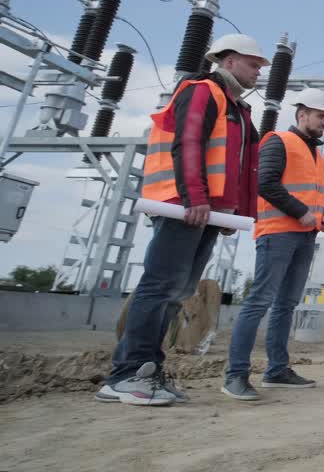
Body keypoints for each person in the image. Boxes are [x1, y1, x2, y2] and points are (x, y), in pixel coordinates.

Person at [96, 34, 268, 406]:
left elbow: (239, 165)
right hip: (184, 205)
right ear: (229, 60)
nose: (259, 72)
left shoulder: (236, 107)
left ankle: (147, 370)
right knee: (160, 288)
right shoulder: (203, 90)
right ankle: (125, 374)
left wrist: (231, 212)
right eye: (254, 64)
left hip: (206, 211)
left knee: (176, 293)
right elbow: (188, 142)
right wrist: (197, 197)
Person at [222, 88, 324, 401]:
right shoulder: (278, 141)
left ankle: (277, 370)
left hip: (305, 235)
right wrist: (300, 212)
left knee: (286, 304)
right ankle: (235, 375)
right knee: (260, 301)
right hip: (277, 233)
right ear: (302, 115)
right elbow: (265, 183)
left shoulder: (317, 154)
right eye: (319, 116)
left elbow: (318, 192)